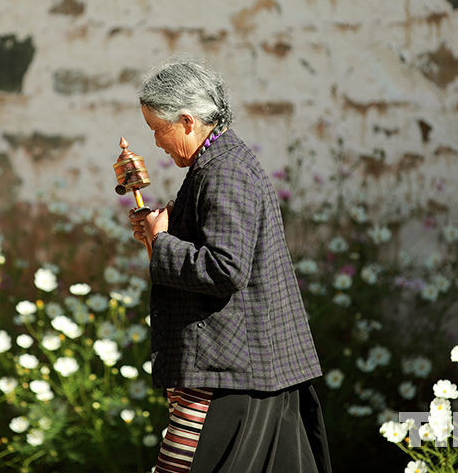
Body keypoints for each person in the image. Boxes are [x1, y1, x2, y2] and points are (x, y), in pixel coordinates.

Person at [129, 57, 332, 473]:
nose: (157, 144)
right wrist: (159, 235)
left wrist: (161, 241)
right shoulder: (215, 164)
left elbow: (225, 269)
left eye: (158, 130)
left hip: (231, 375)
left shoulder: (227, 172)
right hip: (240, 368)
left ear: (187, 121)